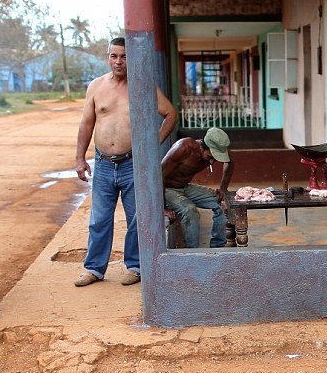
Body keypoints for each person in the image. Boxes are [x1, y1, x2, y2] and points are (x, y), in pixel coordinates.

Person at [74, 37, 178, 286]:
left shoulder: (143, 86)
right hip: (103, 164)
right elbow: (86, 124)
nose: (118, 61)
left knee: (135, 218)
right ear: (107, 57)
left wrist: (153, 145)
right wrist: (80, 157)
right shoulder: (96, 87)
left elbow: (170, 114)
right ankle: (94, 269)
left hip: (133, 164)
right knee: (99, 218)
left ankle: (135, 266)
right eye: (114, 56)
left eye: (123, 56)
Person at [161, 128, 233, 248]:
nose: (212, 162)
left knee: (222, 202)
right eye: (210, 156)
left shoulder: (221, 149)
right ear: (202, 146)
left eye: (215, 159)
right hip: (167, 189)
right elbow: (159, 174)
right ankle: (192, 253)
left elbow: (230, 162)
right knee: (190, 210)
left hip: (184, 187)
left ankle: (218, 248)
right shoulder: (184, 147)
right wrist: (161, 208)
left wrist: (223, 187)